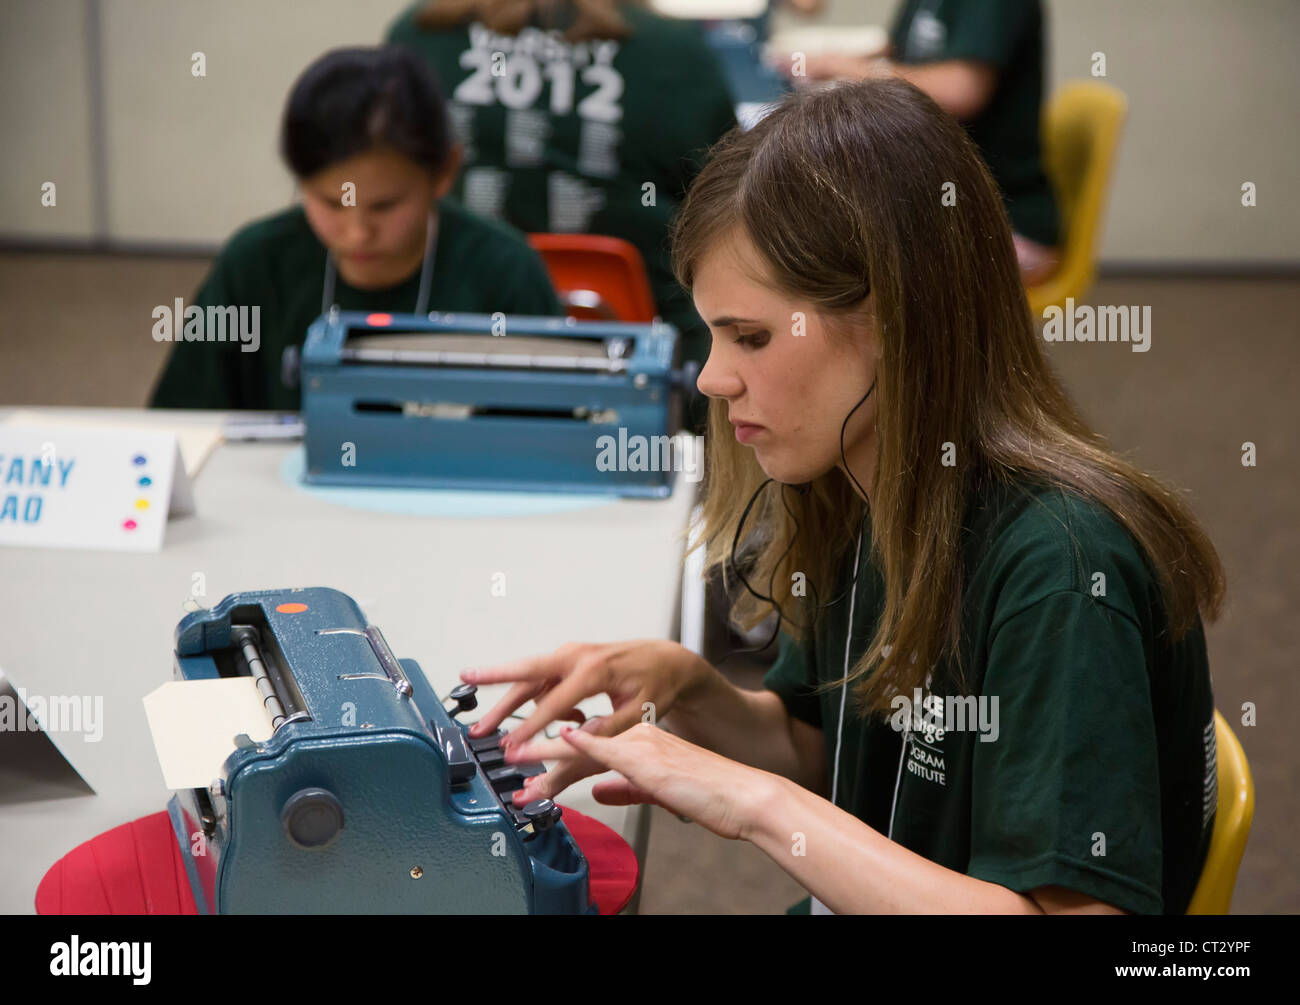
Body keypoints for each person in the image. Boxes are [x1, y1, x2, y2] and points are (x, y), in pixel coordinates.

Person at [454, 79, 1226, 915]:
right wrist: (689, 684)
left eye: (749, 337)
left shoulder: (1061, 570)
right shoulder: (860, 488)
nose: (712, 378)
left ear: (895, 319)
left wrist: (757, 805)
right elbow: (821, 748)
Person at [150, 45, 562, 411]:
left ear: (444, 172)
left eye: (385, 206)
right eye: (331, 203)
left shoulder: (505, 272)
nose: (357, 233)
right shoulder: (254, 265)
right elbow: (185, 426)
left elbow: (553, 432)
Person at [385, 0, 739, 371]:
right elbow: (732, 210)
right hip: (646, 360)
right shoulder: (675, 54)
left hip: (441, 345)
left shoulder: (420, 36)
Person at [775, 0, 1062, 286]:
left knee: (833, 259)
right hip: (935, 206)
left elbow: (961, 89)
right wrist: (830, 59)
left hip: (997, 220)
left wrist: (846, 67)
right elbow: (901, 52)